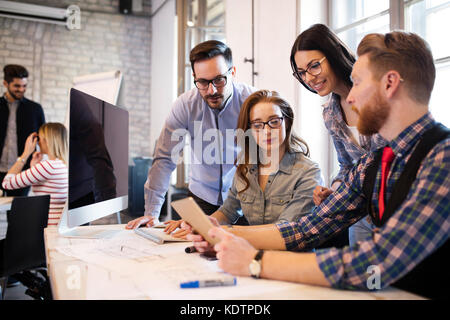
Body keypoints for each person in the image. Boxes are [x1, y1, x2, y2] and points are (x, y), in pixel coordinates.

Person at [186, 31, 449, 299]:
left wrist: (256, 262)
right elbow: (307, 228)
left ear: (390, 83)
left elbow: (376, 259)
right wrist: (223, 235)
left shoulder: (443, 157)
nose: (351, 97)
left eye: (356, 83)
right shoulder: (373, 164)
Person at [126, 40, 256, 229]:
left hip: (244, 201)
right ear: (194, 77)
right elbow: (164, 159)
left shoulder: (252, 102)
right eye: (202, 82)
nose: (211, 90)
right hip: (201, 199)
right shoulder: (185, 105)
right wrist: (151, 213)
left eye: (219, 80)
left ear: (232, 72)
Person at [164, 90, 322, 237]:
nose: (266, 131)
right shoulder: (246, 168)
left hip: (290, 261)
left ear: (286, 122)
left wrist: (223, 232)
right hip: (249, 256)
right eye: (258, 125)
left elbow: (285, 231)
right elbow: (228, 211)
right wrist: (200, 225)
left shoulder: (308, 171)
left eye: (274, 122)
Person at [290, 24, 387, 247]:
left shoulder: (375, 91)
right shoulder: (330, 113)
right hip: (362, 216)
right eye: (301, 72)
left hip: (394, 209)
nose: (309, 78)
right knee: (367, 279)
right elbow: (347, 165)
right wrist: (332, 189)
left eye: (314, 66)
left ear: (333, 55)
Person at [2, 123, 68, 227]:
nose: (38, 142)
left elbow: (7, 184)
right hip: (58, 225)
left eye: (39, 138)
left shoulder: (48, 166)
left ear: (47, 140)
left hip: (46, 228)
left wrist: (25, 154)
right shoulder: (62, 164)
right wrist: (34, 166)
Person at [0, 64, 45, 196]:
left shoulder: (35, 109)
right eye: (17, 86)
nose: (21, 89)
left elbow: (43, 139)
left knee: (17, 214)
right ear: (5, 83)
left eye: (24, 86)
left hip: (23, 172)